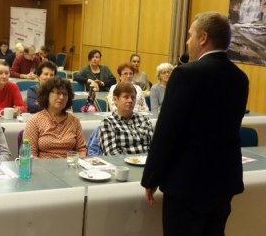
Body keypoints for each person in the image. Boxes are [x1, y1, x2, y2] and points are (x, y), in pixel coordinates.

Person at [141, 12, 249, 235]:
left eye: (190, 35)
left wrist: (151, 177)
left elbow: (167, 131)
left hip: (187, 183)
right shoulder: (240, 77)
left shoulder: (185, 74)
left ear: (203, 38)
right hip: (223, 182)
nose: (187, 41)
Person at [24, 76, 87, 158]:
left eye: (65, 94)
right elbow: (30, 154)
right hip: (43, 167)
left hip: (69, 167)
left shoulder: (74, 120)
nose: (61, 97)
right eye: (57, 93)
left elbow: (81, 150)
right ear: (47, 95)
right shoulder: (34, 120)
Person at [100, 82, 153, 155]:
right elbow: (111, 154)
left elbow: (153, 149)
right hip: (120, 165)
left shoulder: (145, 121)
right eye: (126, 97)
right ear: (115, 100)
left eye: (133, 97)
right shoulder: (108, 123)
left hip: (145, 164)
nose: (130, 100)